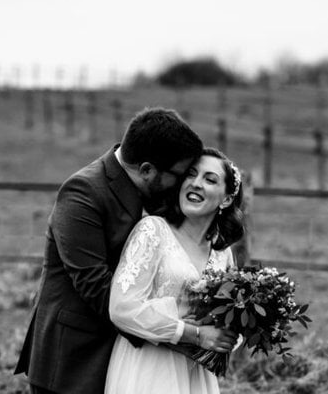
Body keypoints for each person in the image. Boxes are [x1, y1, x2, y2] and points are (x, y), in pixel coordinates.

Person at [15, 107, 204, 394]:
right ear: (146, 169)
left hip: (129, 359)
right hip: (75, 358)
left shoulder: (157, 193)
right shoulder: (82, 193)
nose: (182, 183)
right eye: (178, 175)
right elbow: (96, 287)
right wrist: (182, 334)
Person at [104, 147, 245, 394]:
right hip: (148, 367)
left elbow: (228, 319)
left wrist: (229, 335)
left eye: (209, 179)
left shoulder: (222, 253)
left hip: (195, 372)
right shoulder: (153, 231)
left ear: (226, 199)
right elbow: (121, 308)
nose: (196, 183)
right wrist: (195, 333)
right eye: (191, 175)